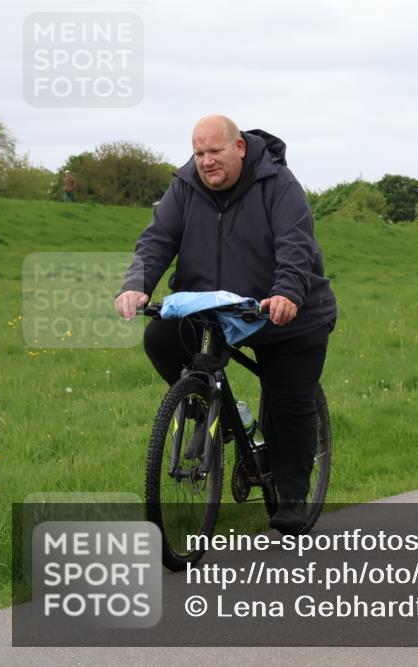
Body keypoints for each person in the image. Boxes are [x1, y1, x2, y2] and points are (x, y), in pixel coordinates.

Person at [114, 115, 337, 533]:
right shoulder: (184, 186)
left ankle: (290, 498)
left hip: (284, 312)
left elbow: (295, 243)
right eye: (199, 153)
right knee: (161, 338)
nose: (206, 161)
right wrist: (136, 285)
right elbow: (158, 238)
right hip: (213, 306)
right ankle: (207, 406)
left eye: (214, 151)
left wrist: (287, 293)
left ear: (238, 147)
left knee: (287, 401)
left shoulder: (279, 184)